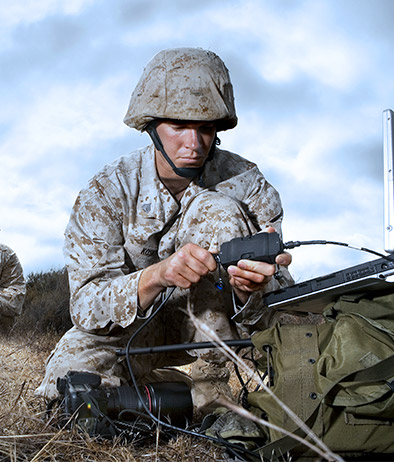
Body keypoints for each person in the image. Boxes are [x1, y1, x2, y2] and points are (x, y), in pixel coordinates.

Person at [35, 48, 294, 415]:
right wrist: (157, 275)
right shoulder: (107, 191)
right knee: (69, 394)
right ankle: (174, 391)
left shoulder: (247, 185)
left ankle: (213, 397)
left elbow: (279, 297)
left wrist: (251, 288)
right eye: (179, 126)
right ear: (151, 127)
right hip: (137, 328)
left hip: (218, 327)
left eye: (206, 129)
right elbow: (86, 307)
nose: (194, 144)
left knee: (217, 209)